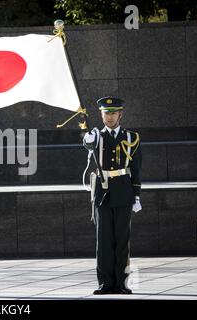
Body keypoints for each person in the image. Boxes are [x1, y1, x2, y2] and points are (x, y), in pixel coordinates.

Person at [83, 97, 142, 295]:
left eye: (113, 113)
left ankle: (121, 283)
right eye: (106, 113)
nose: (109, 117)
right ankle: (105, 283)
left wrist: (137, 196)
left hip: (124, 191)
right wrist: (87, 140)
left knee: (122, 241)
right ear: (101, 115)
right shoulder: (95, 136)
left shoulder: (131, 138)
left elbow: (136, 169)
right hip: (102, 192)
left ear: (120, 114)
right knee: (104, 241)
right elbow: (87, 144)